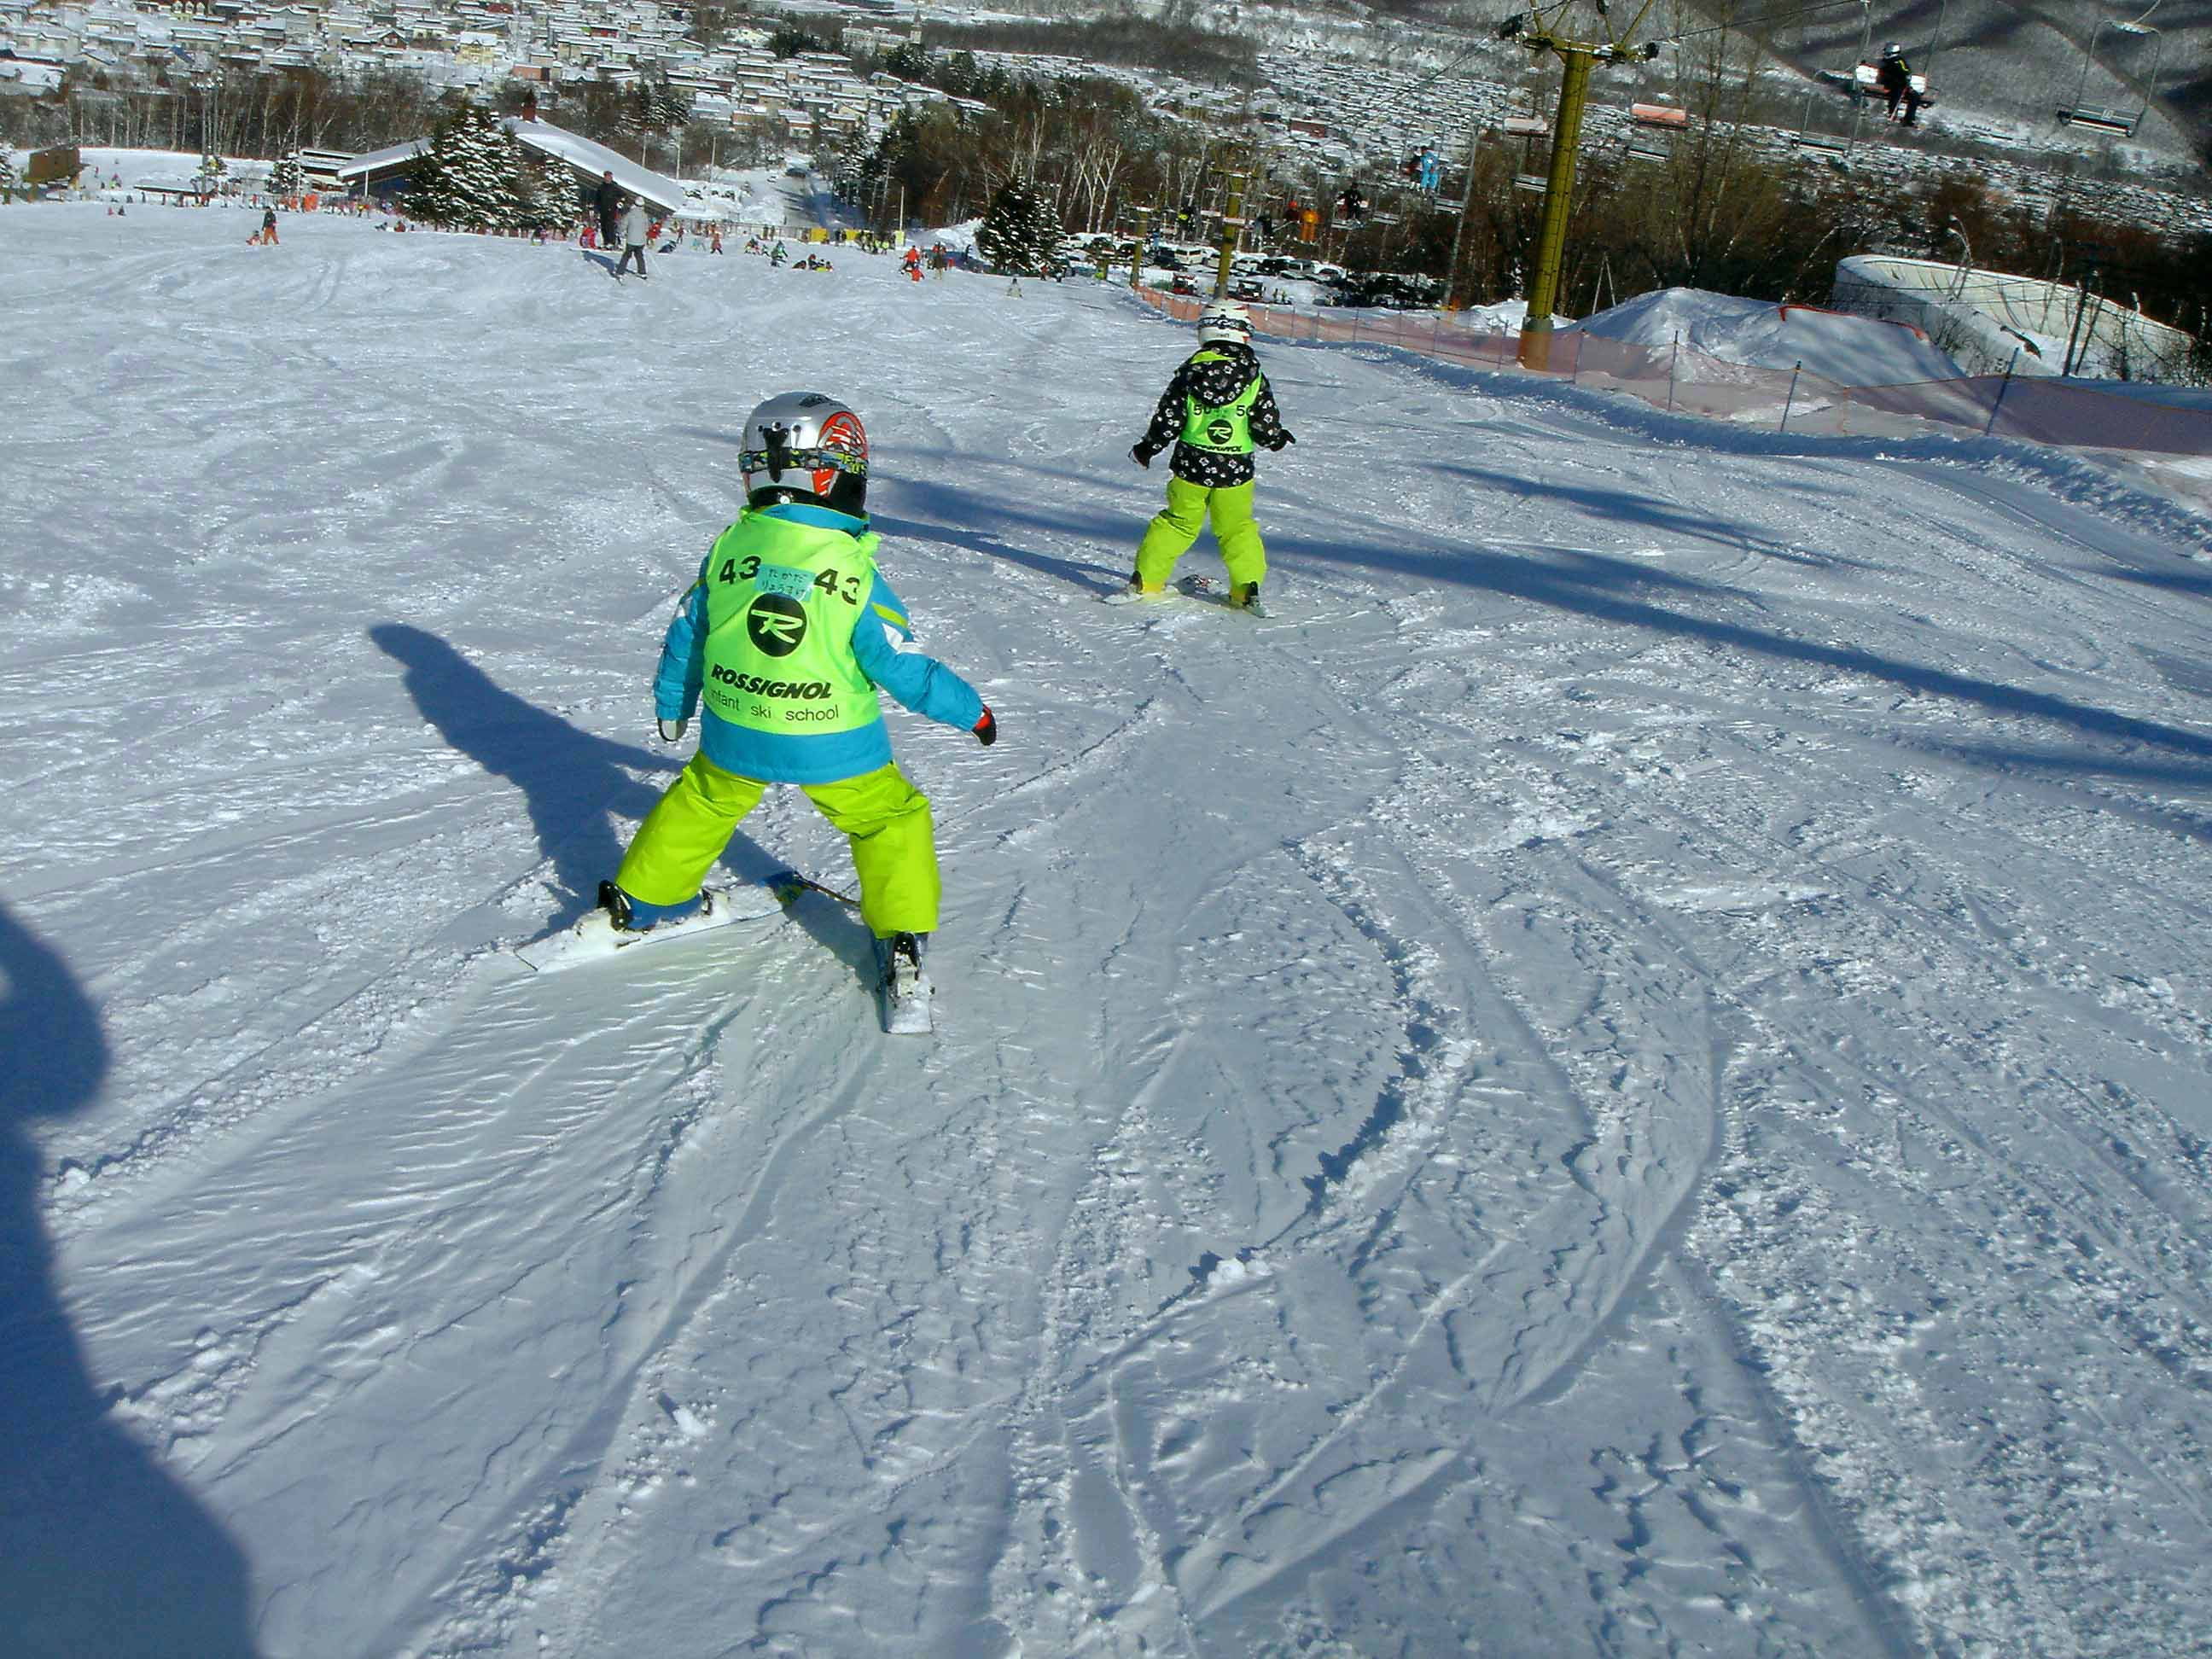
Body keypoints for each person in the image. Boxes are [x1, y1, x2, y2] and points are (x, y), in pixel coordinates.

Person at [598, 391, 998, 1001]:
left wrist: (674, 706)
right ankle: (901, 936)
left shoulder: (730, 549)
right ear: (835, 477)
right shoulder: (853, 569)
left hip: (736, 725)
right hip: (832, 737)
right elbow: (898, 663)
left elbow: (688, 633)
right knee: (889, 817)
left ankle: (642, 899)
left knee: (703, 799)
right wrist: (972, 711)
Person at [1112, 303, 1295, 613]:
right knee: (1236, 528)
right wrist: (1275, 439)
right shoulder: (1253, 377)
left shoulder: (1189, 374)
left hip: (1191, 466)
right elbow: (1263, 423)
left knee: (1178, 523)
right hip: (1235, 470)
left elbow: (1168, 419)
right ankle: (1246, 588)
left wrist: (1148, 448)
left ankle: (1147, 580)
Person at [1876, 43, 1924, 126]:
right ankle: (1892, 113)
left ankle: (1909, 119)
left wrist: (1906, 80)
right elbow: (1884, 74)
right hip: (1891, 86)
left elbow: (1906, 71)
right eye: (1886, 53)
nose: (1886, 56)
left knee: (1915, 96)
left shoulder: (1900, 61)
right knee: (1897, 92)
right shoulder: (1885, 63)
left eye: (1888, 54)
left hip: (1903, 86)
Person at [614, 197, 650, 279]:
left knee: (626, 255)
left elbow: (623, 225)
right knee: (639, 256)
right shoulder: (645, 215)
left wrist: (619, 231)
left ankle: (620, 272)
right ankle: (642, 272)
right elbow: (647, 228)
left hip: (631, 240)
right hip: (641, 241)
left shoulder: (630, 214)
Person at [592, 169, 622, 250]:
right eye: (606, 176)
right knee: (603, 226)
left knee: (610, 226)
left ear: (611, 177)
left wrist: (620, 203)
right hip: (603, 210)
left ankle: (612, 242)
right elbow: (597, 199)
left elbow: (624, 196)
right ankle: (606, 242)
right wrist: (596, 208)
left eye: (609, 177)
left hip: (612, 210)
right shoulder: (601, 187)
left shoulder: (615, 187)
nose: (607, 178)